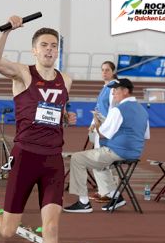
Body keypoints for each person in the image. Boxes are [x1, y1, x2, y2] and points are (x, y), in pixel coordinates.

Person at [0, 16, 76, 243]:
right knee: (9, 230)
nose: (49, 49)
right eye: (44, 45)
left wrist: (65, 117)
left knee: (51, 229)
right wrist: (6, 31)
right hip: (25, 157)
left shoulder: (66, 80)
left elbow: (55, 108)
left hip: (53, 160)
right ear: (34, 50)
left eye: (54, 46)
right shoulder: (24, 73)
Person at [64, 78, 150, 213]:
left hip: (116, 151)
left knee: (77, 158)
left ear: (126, 91)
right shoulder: (143, 111)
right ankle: (116, 196)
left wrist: (97, 121)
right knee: (98, 163)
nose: (113, 93)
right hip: (134, 153)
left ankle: (83, 202)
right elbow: (145, 136)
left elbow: (103, 134)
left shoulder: (118, 109)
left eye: (116, 90)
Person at [88, 61, 118, 203]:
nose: (104, 72)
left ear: (113, 71)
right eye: (102, 70)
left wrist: (104, 125)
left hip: (107, 129)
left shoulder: (114, 87)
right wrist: (93, 124)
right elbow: (98, 108)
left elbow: (114, 109)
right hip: (100, 127)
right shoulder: (105, 87)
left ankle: (108, 192)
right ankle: (105, 191)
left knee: (100, 161)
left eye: (107, 70)